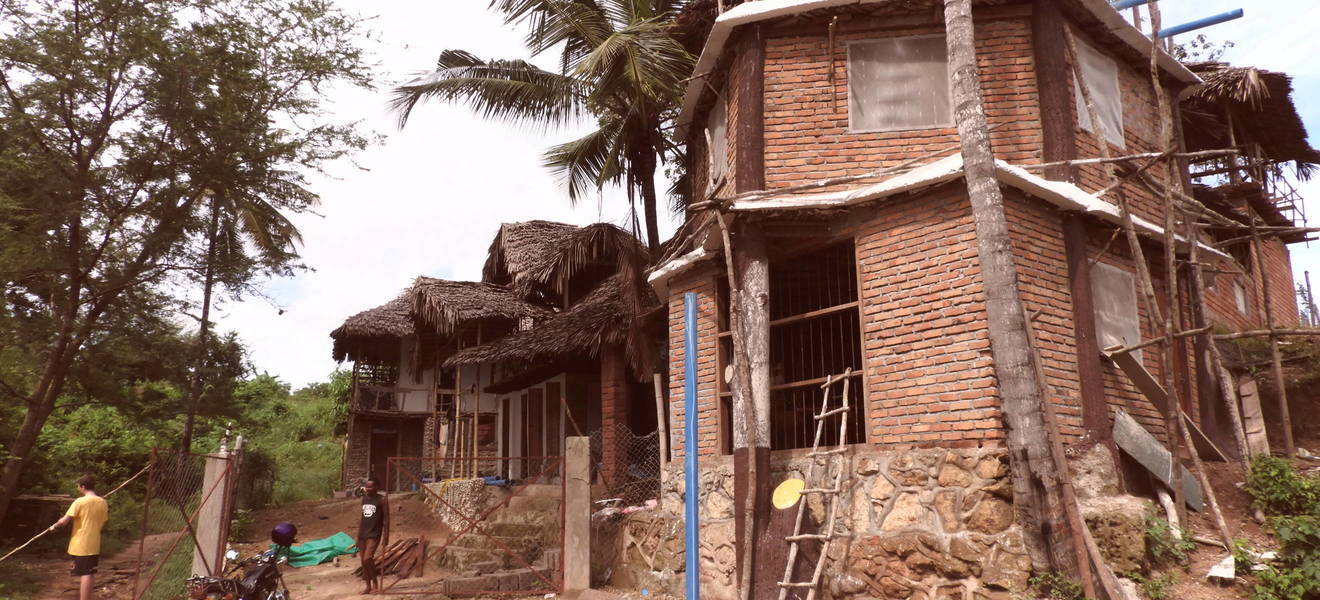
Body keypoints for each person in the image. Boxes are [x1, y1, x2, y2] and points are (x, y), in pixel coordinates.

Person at [48, 475, 108, 600]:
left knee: (86, 574)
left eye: (78, 486)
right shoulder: (103, 502)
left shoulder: (79, 501)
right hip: (94, 542)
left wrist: (54, 526)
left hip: (81, 543)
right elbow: (103, 522)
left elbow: (65, 520)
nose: (78, 488)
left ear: (83, 487)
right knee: (90, 572)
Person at [357, 477, 390, 594]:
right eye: (367, 486)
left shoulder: (382, 500)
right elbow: (362, 519)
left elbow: (387, 519)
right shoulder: (364, 499)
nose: (368, 489)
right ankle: (368, 586)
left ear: (376, 487)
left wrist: (386, 536)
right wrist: (358, 536)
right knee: (363, 562)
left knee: (367, 558)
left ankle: (375, 583)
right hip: (363, 534)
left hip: (374, 534)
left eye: (370, 487)